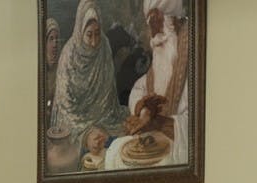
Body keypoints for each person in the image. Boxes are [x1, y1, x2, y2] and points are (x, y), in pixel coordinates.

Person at [48, 0, 129, 170]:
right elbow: (65, 109)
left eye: (97, 33)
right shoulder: (69, 55)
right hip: (73, 126)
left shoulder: (104, 47)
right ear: (80, 31)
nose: (94, 42)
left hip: (104, 120)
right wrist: (86, 134)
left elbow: (108, 100)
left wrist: (99, 129)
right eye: (89, 34)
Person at [123, 0, 190, 163]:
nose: (153, 34)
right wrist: (141, 108)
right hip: (154, 141)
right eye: (150, 24)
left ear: (175, 22)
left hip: (180, 150)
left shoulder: (192, 56)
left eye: (158, 22)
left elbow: (198, 126)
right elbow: (142, 85)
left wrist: (157, 123)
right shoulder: (162, 56)